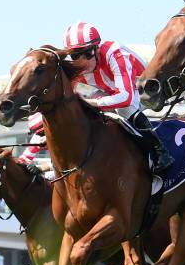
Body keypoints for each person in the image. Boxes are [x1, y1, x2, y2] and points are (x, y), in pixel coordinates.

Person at [63, 22, 174, 174]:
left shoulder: (113, 53)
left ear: (96, 49)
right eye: (75, 55)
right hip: (117, 92)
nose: (82, 60)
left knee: (120, 107)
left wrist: (92, 103)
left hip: (146, 90)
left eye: (87, 53)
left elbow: (125, 97)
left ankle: (161, 152)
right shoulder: (77, 69)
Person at [18, 112, 54, 179]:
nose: (41, 139)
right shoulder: (37, 137)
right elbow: (25, 158)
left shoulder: (61, 134)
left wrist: (40, 168)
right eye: (39, 134)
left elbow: (67, 162)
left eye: (43, 133)